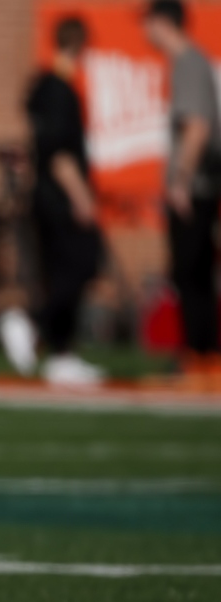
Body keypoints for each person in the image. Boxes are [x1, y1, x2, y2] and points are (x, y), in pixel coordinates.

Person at [0, 16, 105, 387]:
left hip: (43, 196)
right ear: (79, 45)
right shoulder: (60, 91)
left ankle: (61, 355)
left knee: (61, 273)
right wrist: (82, 197)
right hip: (59, 198)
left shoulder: (42, 87)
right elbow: (60, 154)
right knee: (85, 261)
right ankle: (29, 322)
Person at [145, 0, 221, 389]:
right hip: (200, 188)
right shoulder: (192, 63)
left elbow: (198, 128)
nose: (146, 33)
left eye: (148, 23)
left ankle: (199, 359)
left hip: (193, 190)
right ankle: (203, 359)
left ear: (162, 23)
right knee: (195, 273)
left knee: (189, 272)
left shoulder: (188, 63)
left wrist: (180, 181)